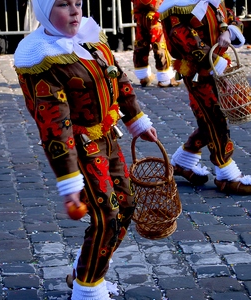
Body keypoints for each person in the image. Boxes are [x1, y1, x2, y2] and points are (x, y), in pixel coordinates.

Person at [13, 0, 158, 298]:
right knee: (106, 214)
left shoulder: (91, 39)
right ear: (43, 11)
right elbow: (54, 125)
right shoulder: (41, 57)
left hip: (109, 137)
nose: (75, 11)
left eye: (77, 2)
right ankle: (88, 289)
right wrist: (69, 182)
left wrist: (137, 120)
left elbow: (118, 78)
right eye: (63, 4)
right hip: (81, 148)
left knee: (126, 205)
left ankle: (86, 270)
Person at [158, 0, 251, 194]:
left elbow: (229, 15)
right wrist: (214, 61)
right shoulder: (176, 7)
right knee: (215, 118)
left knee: (207, 119)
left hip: (219, 68)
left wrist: (229, 31)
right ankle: (227, 173)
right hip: (198, 72)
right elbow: (183, 39)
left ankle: (183, 161)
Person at [132, 0, 181, 87]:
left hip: (141, 15)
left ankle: (143, 76)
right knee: (159, 45)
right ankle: (165, 79)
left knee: (141, 44)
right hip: (155, 16)